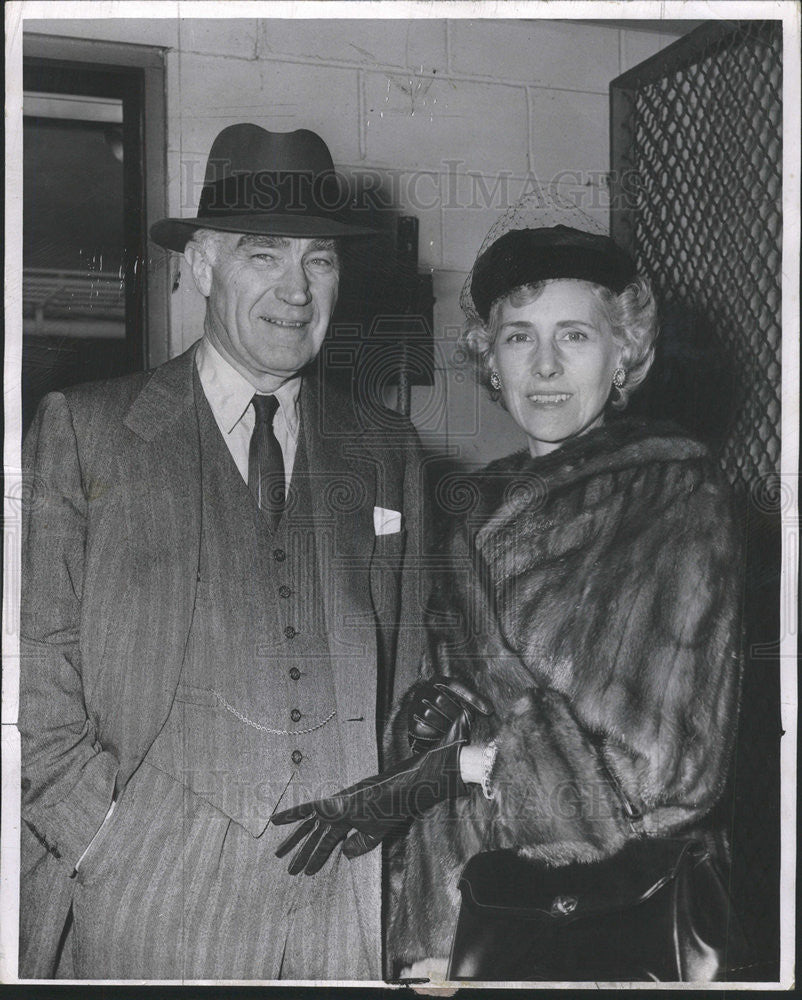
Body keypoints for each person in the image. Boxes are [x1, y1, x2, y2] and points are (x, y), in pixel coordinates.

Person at [269, 224, 743, 979]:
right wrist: (423, 726)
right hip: (442, 934)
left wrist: (466, 762)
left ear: (624, 353)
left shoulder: (674, 494)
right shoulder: (468, 500)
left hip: (571, 939)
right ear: (491, 357)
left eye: (576, 335)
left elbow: (663, 780)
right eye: (519, 337)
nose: (545, 365)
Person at [18, 123, 425, 980]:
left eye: (319, 260)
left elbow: (413, 665)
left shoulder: (386, 448)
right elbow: (34, 667)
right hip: (147, 899)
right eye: (263, 255)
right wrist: (102, 836)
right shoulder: (88, 431)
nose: (296, 290)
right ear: (201, 266)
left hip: (343, 915)